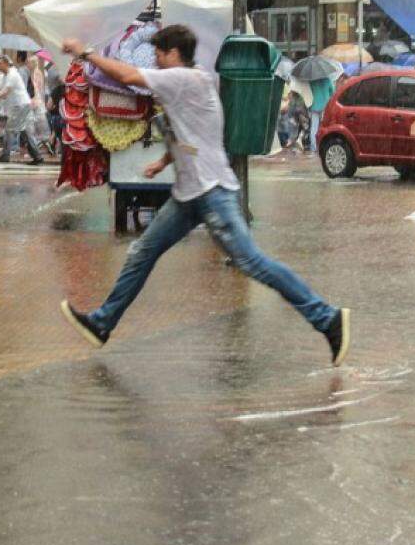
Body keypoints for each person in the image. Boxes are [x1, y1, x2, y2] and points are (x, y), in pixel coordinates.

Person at [56, 26, 350, 366]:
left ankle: (327, 318)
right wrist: (164, 161)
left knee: (253, 262)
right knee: (141, 252)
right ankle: (103, 322)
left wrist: (85, 52)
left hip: (211, 192)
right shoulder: (193, 82)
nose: (155, 60)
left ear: (173, 54)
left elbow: (127, 75)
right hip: (189, 195)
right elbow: (194, 133)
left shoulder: (182, 79)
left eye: (159, 54)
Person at [0, 55, 42, 165]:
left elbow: (6, 91)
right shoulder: (6, 75)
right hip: (20, 105)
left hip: (20, 105)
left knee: (9, 129)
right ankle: (37, 156)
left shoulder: (12, 74)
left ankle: (5, 155)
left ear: (6, 63)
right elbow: (0, 89)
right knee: (25, 131)